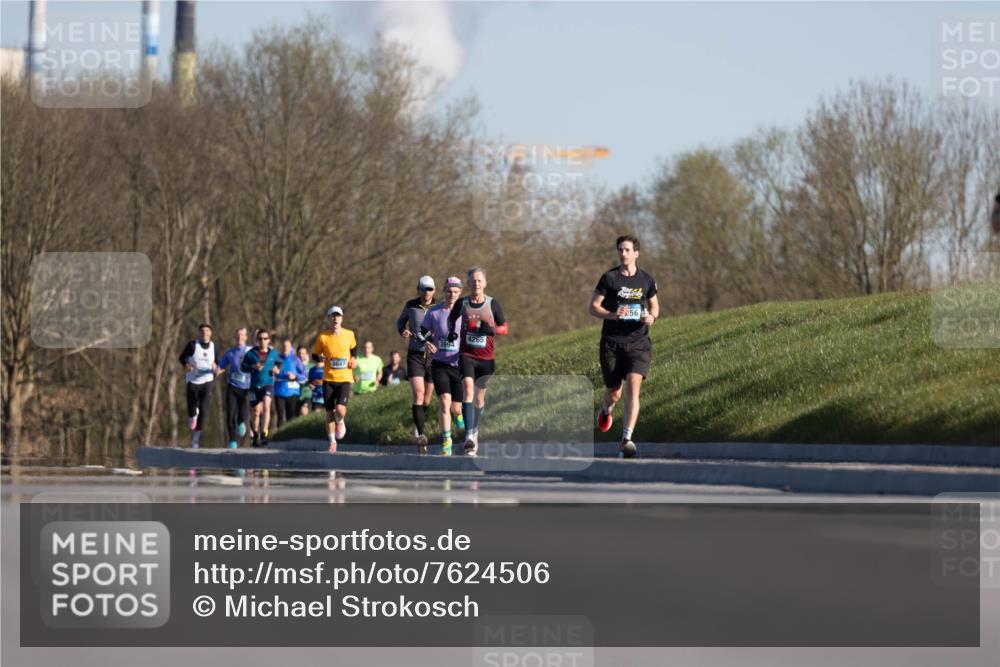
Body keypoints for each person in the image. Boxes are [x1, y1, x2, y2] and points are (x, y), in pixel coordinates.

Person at [589, 234, 660, 458]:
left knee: (632, 386)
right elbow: (593, 307)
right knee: (614, 392)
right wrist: (612, 315)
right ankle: (605, 409)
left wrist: (652, 318)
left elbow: (654, 306)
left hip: (638, 342)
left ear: (636, 253)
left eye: (627, 250)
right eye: (620, 249)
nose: (623, 253)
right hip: (612, 343)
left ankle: (626, 439)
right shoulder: (609, 278)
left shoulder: (646, 280)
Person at [447, 267, 508, 455]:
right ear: (468, 284)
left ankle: (475, 430)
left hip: (487, 359)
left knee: (480, 398)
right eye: (473, 281)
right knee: (468, 390)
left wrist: (492, 330)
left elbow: (504, 327)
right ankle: (469, 436)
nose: (476, 284)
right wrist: (451, 333)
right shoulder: (462, 303)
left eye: (480, 280)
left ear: (485, 283)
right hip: (467, 356)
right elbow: (451, 319)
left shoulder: (492, 303)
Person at [421, 276, 466, 455]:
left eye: (455, 292)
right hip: (439, 363)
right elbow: (421, 333)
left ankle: (459, 415)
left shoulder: (465, 312)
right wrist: (425, 343)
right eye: (449, 291)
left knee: (456, 407)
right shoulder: (433, 312)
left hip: (458, 364)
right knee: (444, 402)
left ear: (460, 292)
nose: (452, 295)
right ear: (444, 292)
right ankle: (446, 441)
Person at [396, 276, 438, 448]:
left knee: (427, 399)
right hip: (415, 355)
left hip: (434, 357)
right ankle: (421, 434)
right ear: (418, 290)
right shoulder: (411, 305)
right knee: (419, 394)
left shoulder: (440, 307)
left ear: (434, 290)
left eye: (430, 289)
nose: (426, 292)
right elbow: (400, 322)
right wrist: (402, 331)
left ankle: (417, 421)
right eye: (423, 289)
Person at [311, 306, 357, 452]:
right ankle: (332, 441)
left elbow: (353, 349)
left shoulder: (349, 334)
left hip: (344, 378)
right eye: (332, 316)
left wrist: (354, 359)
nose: (335, 318)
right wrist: (319, 357)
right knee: (329, 411)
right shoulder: (323, 337)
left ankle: (341, 420)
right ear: (328, 319)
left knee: (340, 409)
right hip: (328, 379)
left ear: (342, 318)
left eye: (338, 316)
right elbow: (314, 354)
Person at [178, 323, 219, 448]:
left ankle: (196, 438)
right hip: (193, 381)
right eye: (202, 331)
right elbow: (182, 358)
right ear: (199, 333)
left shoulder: (214, 346)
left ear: (210, 333)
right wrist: (187, 366)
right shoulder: (192, 345)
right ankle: (192, 415)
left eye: (207, 331)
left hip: (207, 381)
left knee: (204, 409)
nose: (204, 333)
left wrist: (217, 368)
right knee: (192, 407)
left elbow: (217, 362)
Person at [240, 328, 280, 447]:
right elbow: (243, 367)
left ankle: (264, 433)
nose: (263, 341)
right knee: (256, 412)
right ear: (257, 340)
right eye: (260, 339)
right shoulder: (251, 353)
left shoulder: (274, 353)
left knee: (267, 406)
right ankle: (256, 434)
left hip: (268, 384)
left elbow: (279, 363)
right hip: (254, 386)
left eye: (265, 338)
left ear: (269, 340)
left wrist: (277, 368)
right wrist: (253, 366)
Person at [216, 327, 251, 449]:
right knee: (230, 414)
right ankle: (232, 440)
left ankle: (241, 422)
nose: (239, 338)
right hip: (233, 387)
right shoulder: (230, 352)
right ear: (234, 338)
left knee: (244, 412)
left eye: (242, 336)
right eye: (237, 336)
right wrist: (218, 370)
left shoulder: (250, 351)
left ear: (246, 337)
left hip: (246, 388)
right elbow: (221, 365)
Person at [274, 338, 307, 428]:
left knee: (291, 417)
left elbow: (304, 375)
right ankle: (280, 438)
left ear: (291, 347)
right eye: (284, 346)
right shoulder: (277, 358)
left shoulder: (295, 360)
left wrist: (295, 376)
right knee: (280, 416)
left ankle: (291, 436)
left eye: (287, 346)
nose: (285, 348)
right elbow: (270, 372)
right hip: (279, 391)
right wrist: (273, 371)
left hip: (292, 392)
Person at [297, 346, 315, 416]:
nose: (301, 355)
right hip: (295, 395)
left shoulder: (312, 367)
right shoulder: (293, 366)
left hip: (308, 394)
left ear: (307, 354)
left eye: (303, 353)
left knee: (304, 410)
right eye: (299, 353)